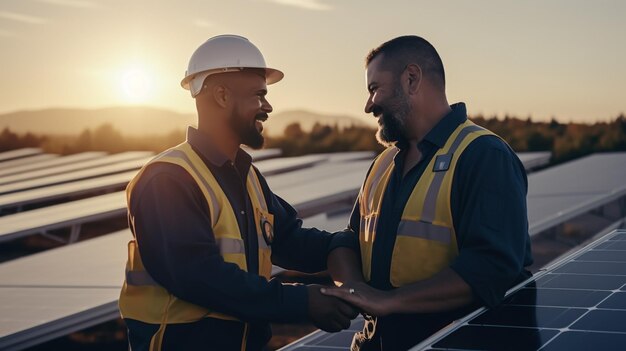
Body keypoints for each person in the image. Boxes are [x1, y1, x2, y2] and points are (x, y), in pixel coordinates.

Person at [118, 35, 357, 351]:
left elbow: (289, 239)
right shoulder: (168, 179)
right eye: (259, 95)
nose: (268, 107)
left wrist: (343, 245)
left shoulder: (248, 176)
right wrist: (302, 301)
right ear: (221, 95)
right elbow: (198, 275)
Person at [321, 35, 533, 350]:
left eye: (374, 88)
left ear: (411, 79)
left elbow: (491, 268)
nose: (368, 105)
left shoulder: (483, 155)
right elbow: (349, 241)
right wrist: (353, 288)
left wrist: (390, 301)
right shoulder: (382, 163)